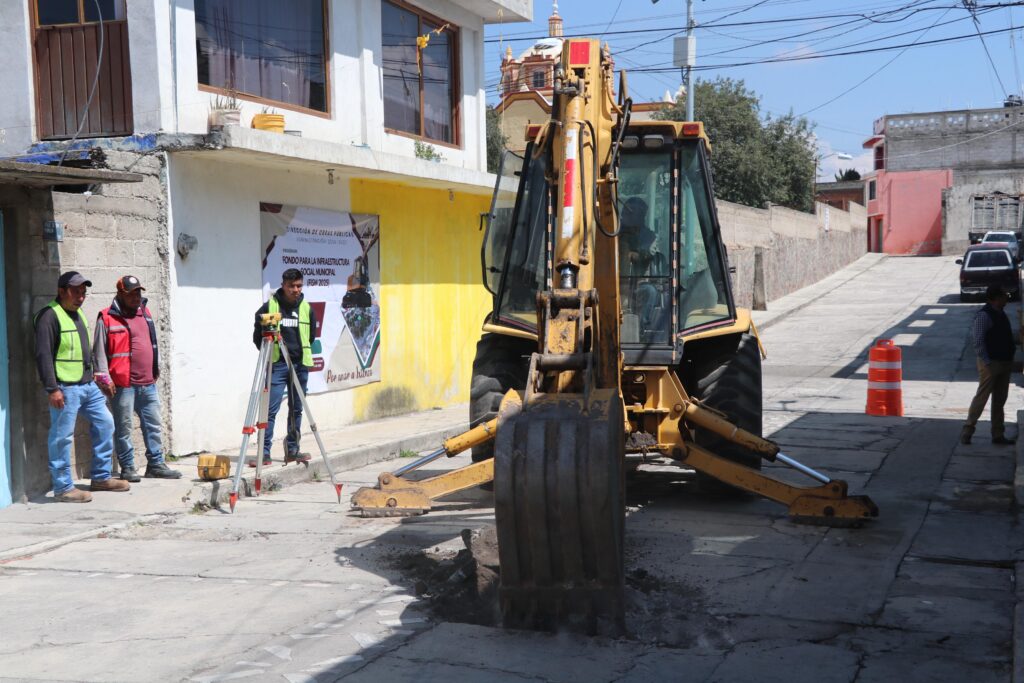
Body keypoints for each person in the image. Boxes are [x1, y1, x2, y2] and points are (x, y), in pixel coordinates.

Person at [33, 272, 129, 502]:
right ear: (62, 291)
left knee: (106, 423)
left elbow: (87, 352)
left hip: (88, 385)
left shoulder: (78, 314)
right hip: (65, 387)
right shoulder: (49, 316)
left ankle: (101, 477)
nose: (81, 297)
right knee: (62, 437)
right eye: (76, 292)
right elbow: (43, 355)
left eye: (84, 292)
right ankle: (63, 488)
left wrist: (100, 378)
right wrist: (52, 389)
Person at [93, 275, 181, 481]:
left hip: (148, 382)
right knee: (123, 428)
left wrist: (155, 369)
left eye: (138, 293)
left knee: (153, 425)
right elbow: (98, 353)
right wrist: (105, 380)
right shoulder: (106, 317)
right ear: (120, 294)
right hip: (123, 385)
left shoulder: (145, 312)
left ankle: (156, 464)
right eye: (131, 294)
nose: (136, 297)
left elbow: (151, 343)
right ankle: (128, 467)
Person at [251, 269, 319, 466]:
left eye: (299, 286)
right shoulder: (271, 306)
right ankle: (264, 453)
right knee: (269, 409)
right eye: (291, 286)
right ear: (283, 285)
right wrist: (270, 354)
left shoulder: (306, 308)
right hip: (278, 364)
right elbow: (259, 335)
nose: (295, 290)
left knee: (296, 409)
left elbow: (310, 337)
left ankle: (292, 450)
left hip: (299, 365)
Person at [961, 284, 1016, 446]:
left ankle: (998, 434)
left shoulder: (1001, 313)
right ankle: (968, 430)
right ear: (996, 298)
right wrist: (987, 362)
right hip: (991, 363)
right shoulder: (984, 316)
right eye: (1004, 296)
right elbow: (978, 342)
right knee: (982, 398)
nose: (1007, 299)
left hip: (1004, 362)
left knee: (1000, 400)